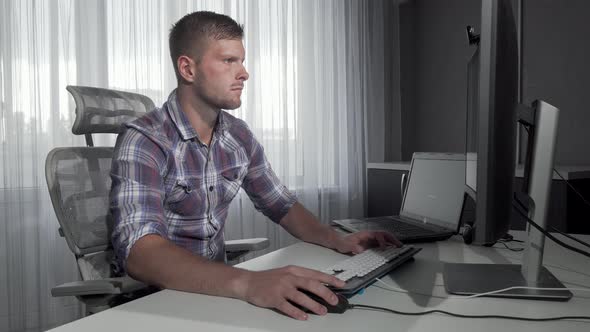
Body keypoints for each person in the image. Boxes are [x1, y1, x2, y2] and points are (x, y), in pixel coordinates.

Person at [110, 11, 400, 321]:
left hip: (215, 292)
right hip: (157, 301)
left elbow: (281, 204)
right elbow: (141, 253)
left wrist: (336, 239)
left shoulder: (238, 135)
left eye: (242, 61)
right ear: (187, 68)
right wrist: (249, 282)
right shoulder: (144, 139)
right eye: (228, 61)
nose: (244, 73)